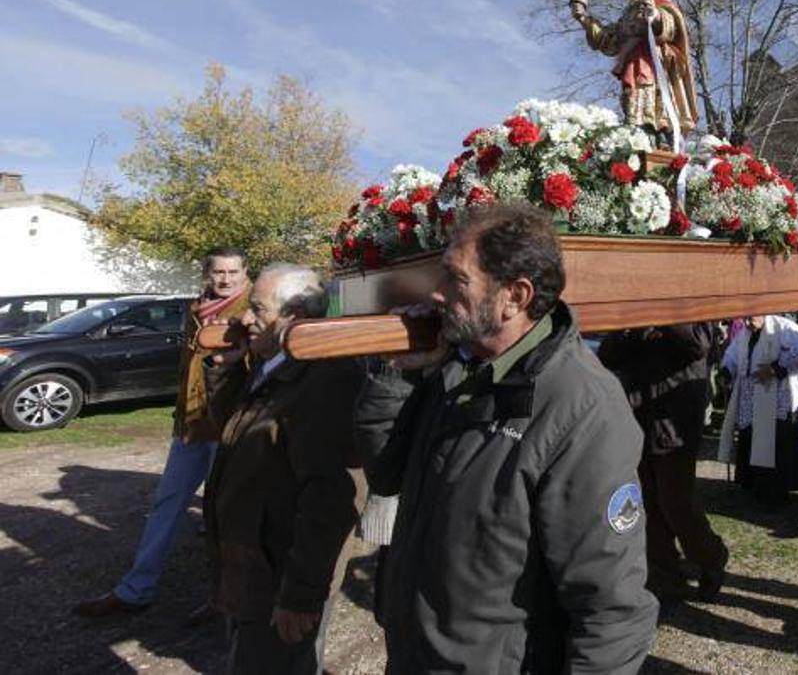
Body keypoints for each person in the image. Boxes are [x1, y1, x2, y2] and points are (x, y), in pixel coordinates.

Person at [356, 203, 657, 672]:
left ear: (514, 297)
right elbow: (385, 472)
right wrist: (399, 376)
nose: (436, 294)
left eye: (455, 280)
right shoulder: (455, 367)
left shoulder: (582, 407)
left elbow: (611, 607)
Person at [203, 263, 367, 674]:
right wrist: (226, 367)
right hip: (251, 569)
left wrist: (301, 594)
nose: (244, 318)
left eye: (258, 309)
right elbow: (232, 431)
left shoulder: (325, 378)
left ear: (295, 317)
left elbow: (331, 497)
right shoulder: (273, 361)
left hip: (280, 577)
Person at [74, 248, 251, 619]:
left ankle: (227, 598)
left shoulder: (255, 308)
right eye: (219, 272)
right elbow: (189, 368)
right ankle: (136, 589)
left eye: (233, 272)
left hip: (232, 425)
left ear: (245, 273)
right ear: (207, 274)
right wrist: (181, 416)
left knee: (229, 514)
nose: (226, 279)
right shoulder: (195, 309)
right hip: (192, 421)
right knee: (166, 503)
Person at [598, 324, 729, 601]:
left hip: (674, 420)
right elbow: (607, 355)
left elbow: (699, 344)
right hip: (636, 419)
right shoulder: (631, 311)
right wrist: (635, 330)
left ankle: (711, 557)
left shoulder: (688, 303)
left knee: (675, 502)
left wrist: (663, 320)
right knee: (646, 504)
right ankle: (666, 572)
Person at [570, 0, 699, 143]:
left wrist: (654, 16)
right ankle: (638, 140)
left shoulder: (656, 0)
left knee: (654, 112)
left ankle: (658, 140)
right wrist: (583, 18)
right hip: (632, 64)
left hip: (652, 65)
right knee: (633, 107)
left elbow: (672, 25)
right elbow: (610, 41)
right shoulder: (626, 16)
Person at [717, 313, 798, 504]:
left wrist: (775, 368)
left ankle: (776, 491)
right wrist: (726, 371)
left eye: (751, 318)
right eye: (744, 319)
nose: (747, 322)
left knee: (776, 443)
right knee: (753, 439)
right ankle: (755, 486)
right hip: (751, 397)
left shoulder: (783, 327)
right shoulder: (745, 333)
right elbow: (733, 355)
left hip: (776, 396)